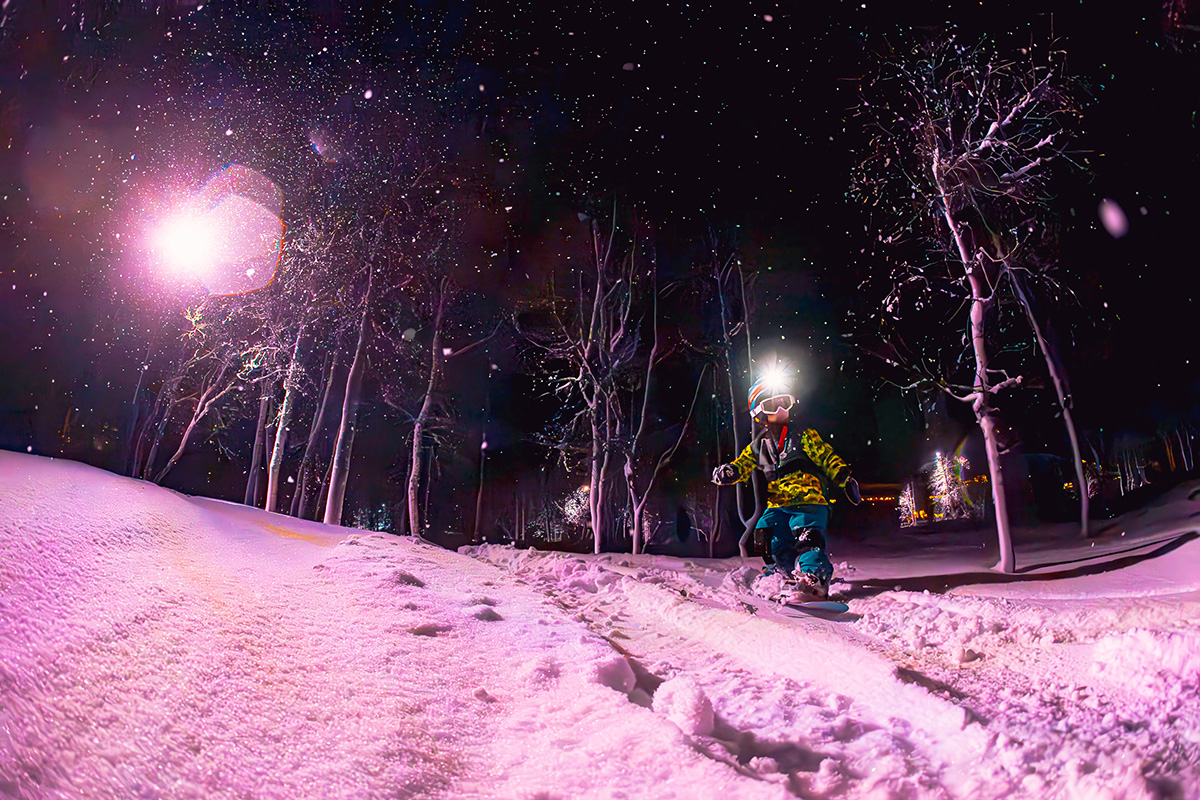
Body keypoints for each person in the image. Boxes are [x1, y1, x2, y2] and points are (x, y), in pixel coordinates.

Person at [712, 371, 860, 599]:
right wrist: (730, 472)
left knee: (807, 537)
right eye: (773, 405)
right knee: (764, 535)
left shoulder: (803, 435)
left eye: (785, 403)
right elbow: (743, 464)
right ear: (759, 413)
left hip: (808, 501)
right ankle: (782, 572)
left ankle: (815, 577)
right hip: (778, 504)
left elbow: (826, 457)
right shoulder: (759, 445)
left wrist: (844, 478)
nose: (781, 410)